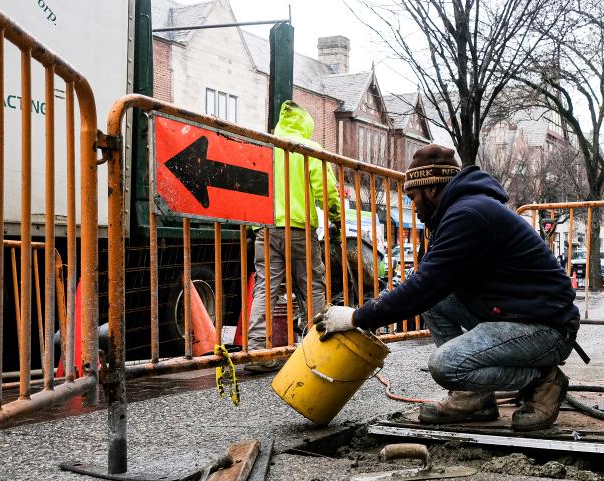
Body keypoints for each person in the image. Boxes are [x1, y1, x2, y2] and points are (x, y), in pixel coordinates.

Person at [313, 144, 581, 432]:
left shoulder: (468, 215)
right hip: (515, 314)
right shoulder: (458, 212)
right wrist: (367, 314)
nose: (413, 206)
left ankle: (543, 380)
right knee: (435, 301)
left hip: (545, 328)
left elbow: (424, 285)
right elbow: (426, 286)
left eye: (413, 196)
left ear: (431, 189)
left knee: (445, 365)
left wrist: (356, 318)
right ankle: (472, 396)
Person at [245, 101, 342, 372]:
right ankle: (319, 347)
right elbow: (326, 190)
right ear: (306, 125)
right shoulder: (310, 149)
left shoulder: (266, 146)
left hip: (265, 228)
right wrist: (335, 217)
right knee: (311, 286)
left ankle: (256, 352)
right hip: (298, 228)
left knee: (265, 288)